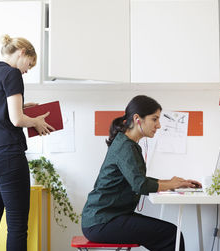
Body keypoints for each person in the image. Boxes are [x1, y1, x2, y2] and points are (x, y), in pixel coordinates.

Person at [81, 95, 201, 251]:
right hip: (101, 222)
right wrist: (170, 184)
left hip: (106, 218)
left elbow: (137, 179)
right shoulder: (125, 146)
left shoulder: (127, 144)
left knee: (170, 234)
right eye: (154, 119)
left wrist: (174, 183)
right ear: (137, 119)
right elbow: (140, 185)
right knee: (171, 235)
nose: (158, 125)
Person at [0, 34, 54, 251]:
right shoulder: (12, 74)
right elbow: (16, 120)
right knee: (17, 225)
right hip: (6, 156)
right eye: (29, 64)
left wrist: (23, 106)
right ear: (22, 53)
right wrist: (36, 121)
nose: (27, 70)